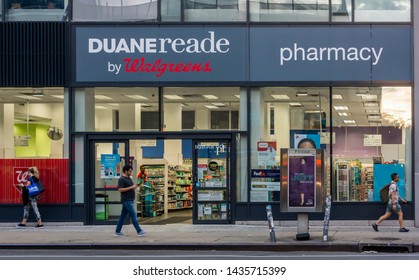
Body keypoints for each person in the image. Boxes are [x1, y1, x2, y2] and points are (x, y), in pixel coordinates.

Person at [114, 164, 147, 237]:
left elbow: (131, 187)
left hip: (130, 200)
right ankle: (139, 231)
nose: (130, 172)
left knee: (122, 217)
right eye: (129, 171)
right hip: (126, 200)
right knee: (133, 215)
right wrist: (132, 187)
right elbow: (120, 189)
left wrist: (136, 186)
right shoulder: (121, 179)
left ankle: (117, 231)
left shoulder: (129, 179)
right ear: (125, 171)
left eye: (131, 171)